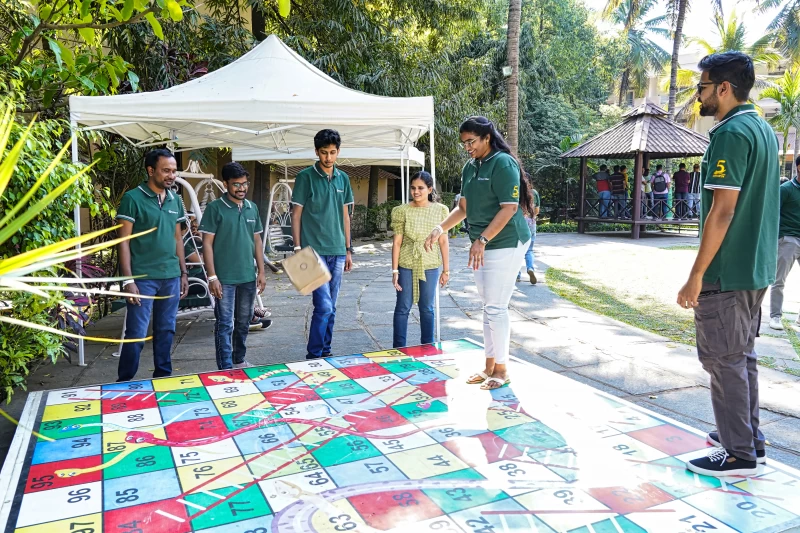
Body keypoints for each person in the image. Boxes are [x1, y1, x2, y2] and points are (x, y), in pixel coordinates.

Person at [677, 51, 779, 477]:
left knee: (723, 359)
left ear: (723, 87)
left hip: (727, 269)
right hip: (755, 267)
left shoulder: (731, 133)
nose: (698, 96)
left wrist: (696, 275)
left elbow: (722, 211)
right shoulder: (764, 130)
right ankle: (746, 437)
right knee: (741, 356)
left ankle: (738, 454)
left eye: (702, 87)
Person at [424, 116, 531, 391]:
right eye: (464, 143)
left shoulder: (503, 163)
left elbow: (509, 208)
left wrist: (481, 239)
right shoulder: (471, 167)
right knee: (488, 307)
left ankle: (502, 370)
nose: (467, 147)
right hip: (484, 243)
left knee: (496, 307)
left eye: (471, 141)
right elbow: (463, 208)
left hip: (507, 241)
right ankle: (488, 366)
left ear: (486, 137)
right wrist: (440, 228)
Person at [115, 148, 188, 382]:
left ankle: (163, 378)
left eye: (174, 171)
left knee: (166, 330)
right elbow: (123, 242)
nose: (171, 175)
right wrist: (128, 280)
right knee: (136, 332)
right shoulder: (132, 198)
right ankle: (124, 381)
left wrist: (183, 272)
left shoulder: (175, 199)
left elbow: (178, 238)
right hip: (143, 278)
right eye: (166, 170)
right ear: (150, 170)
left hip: (171, 276)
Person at [291, 129, 354, 360]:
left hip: (338, 251)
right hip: (311, 254)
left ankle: (325, 351)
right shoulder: (305, 177)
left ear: (338, 152)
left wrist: (348, 249)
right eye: (324, 153)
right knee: (324, 306)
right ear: (316, 152)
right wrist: (297, 249)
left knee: (332, 307)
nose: (328, 157)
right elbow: (296, 214)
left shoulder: (343, 178)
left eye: (333, 152)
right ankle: (314, 354)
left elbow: (346, 216)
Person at [200, 162, 267, 370]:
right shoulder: (214, 208)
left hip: (247, 276)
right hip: (224, 279)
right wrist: (212, 277)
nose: (242, 189)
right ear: (225, 184)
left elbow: (257, 241)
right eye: (236, 184)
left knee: (244, 322)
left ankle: (239, 360)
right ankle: (226, 366)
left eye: (244, 184)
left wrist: (262, 271)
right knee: (225, 324)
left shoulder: (251, 208)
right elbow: (207, 244)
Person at [391, 171, 450, 348]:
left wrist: (446, 270)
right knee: (403, 306)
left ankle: (427, 346)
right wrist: (395, 270)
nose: (416, 192)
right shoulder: (401, 211)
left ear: (430, 189)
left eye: (420, 188)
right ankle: (399, 348)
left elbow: (443, 241)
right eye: (413, 188)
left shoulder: (441, 210)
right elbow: (397, 242)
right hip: (406, 262)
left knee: (427, 307)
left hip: (430, 263)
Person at [768, 155, 800, 330]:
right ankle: (775, 317)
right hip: (788, 239)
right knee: (779, 280)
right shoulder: (786, 189)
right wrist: (779, 237)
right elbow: (774, 213)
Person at [517, 173, 539, 284]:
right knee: (529, 250)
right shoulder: (534, 193)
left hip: (520, 223)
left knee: (518, 250)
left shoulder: (517, 191)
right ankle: (530, 268)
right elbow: (537, 210)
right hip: (531, 222)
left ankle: (517, 274)